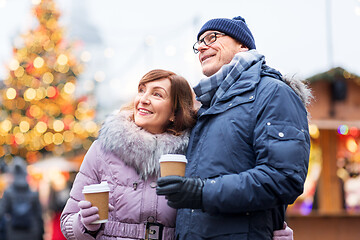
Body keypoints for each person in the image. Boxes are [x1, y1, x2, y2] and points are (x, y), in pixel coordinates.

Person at [156, 16, 312, 240]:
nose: (201, 46)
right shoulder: (208, 105)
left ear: (242, 45)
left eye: (212, 37)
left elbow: (283, 177)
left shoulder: (273, 93)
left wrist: (202, 192)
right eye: (198, 43)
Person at [60, 69, 197, 240]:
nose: (143, 99)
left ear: (174, 113)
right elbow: (67, 222)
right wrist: (85, 224)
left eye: (157, 94)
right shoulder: (102, 150)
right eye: (141, 90)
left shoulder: (191, 155)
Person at [0, 157, 44, 240]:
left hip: (13, 233)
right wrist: (41, 234)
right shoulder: (33, 193)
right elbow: (39, 216)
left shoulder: (8, 193)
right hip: (32, 232)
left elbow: (1, 213)